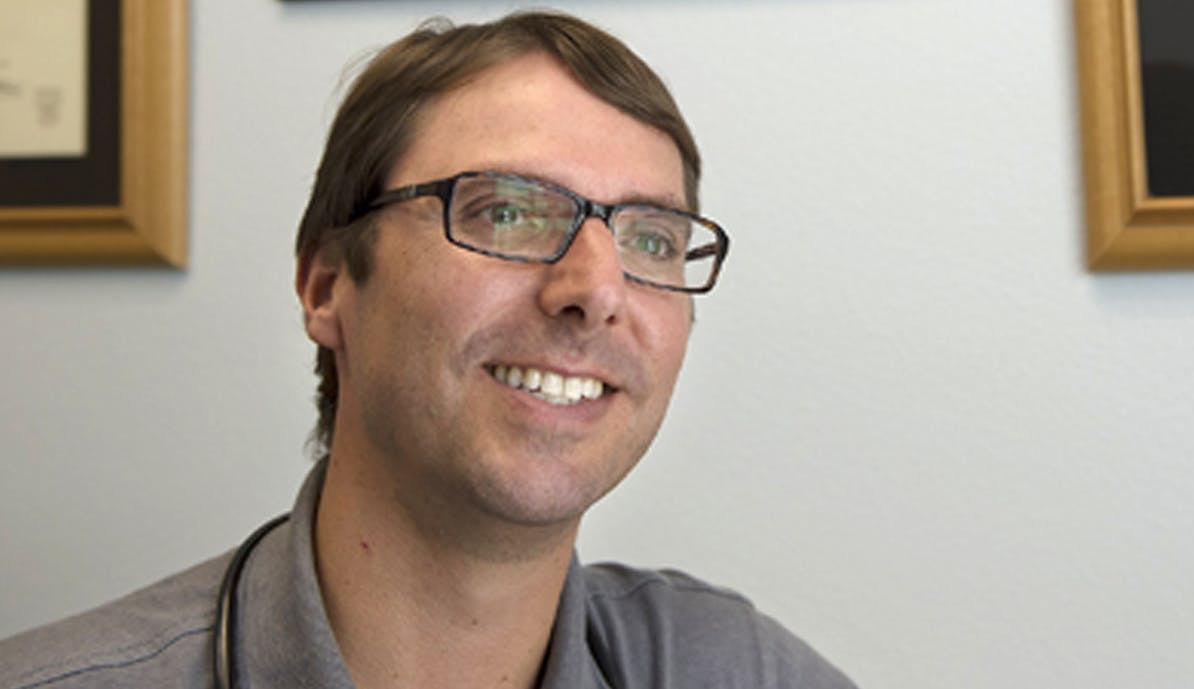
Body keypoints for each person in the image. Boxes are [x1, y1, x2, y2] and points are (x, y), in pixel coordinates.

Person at [0, 11, 857, 689]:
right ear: (327, 286)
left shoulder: (738, 669)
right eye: (507, 211)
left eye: (654, 240)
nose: (597, 290)